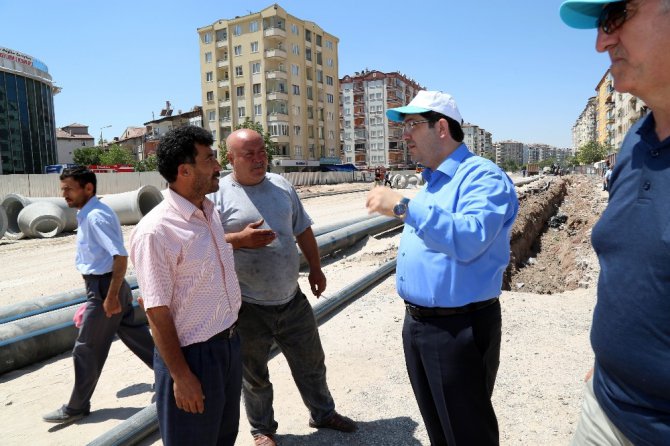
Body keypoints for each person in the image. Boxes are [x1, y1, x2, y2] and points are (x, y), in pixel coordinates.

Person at [366, 90, 519, 446]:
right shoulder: (434, 180)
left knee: (466, 433)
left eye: (413, 125)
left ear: (442, 128)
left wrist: (404, 206)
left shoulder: (482, 176)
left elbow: (469, 239)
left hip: (458, 327)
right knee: (440, 429)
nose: (405, 135)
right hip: (419, 324)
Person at [561, 1, 670, 444]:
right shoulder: (637, 139)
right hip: (605, 406)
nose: (601, 41)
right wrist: (608, 363)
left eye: (616, 17)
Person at [209, 129, 357, 446]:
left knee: (312, 363)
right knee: (255, 376)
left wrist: (316, 269)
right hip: (247, 305)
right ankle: (262, 430)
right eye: (249, 154)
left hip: (292, 298)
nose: (259, 158)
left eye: (262, 151)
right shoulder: (217, 196)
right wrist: (238, 240)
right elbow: (203, 244)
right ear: (230, 159)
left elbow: (302, 230)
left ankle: (323, 413)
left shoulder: (281, 185)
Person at [129, 126, 242, 445]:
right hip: (192, 357)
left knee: (223, 436)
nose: (219, 166)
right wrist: (181, 376)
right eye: (210, 159)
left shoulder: (209, 211)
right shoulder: (156, 231)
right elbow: (156, 311)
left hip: (228, 344)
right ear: (185, 170)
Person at [42, 167, 154, 424]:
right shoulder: (89, 213)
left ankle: (77, 407)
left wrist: (109, 297)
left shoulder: (96, 217)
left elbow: (120, 256)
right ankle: (170, 373)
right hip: (104, 287)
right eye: (63, 189)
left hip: (106, 288)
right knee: (136, 336)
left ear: (88, 188)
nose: (65, 194)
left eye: (69, 189)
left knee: (86, 348)